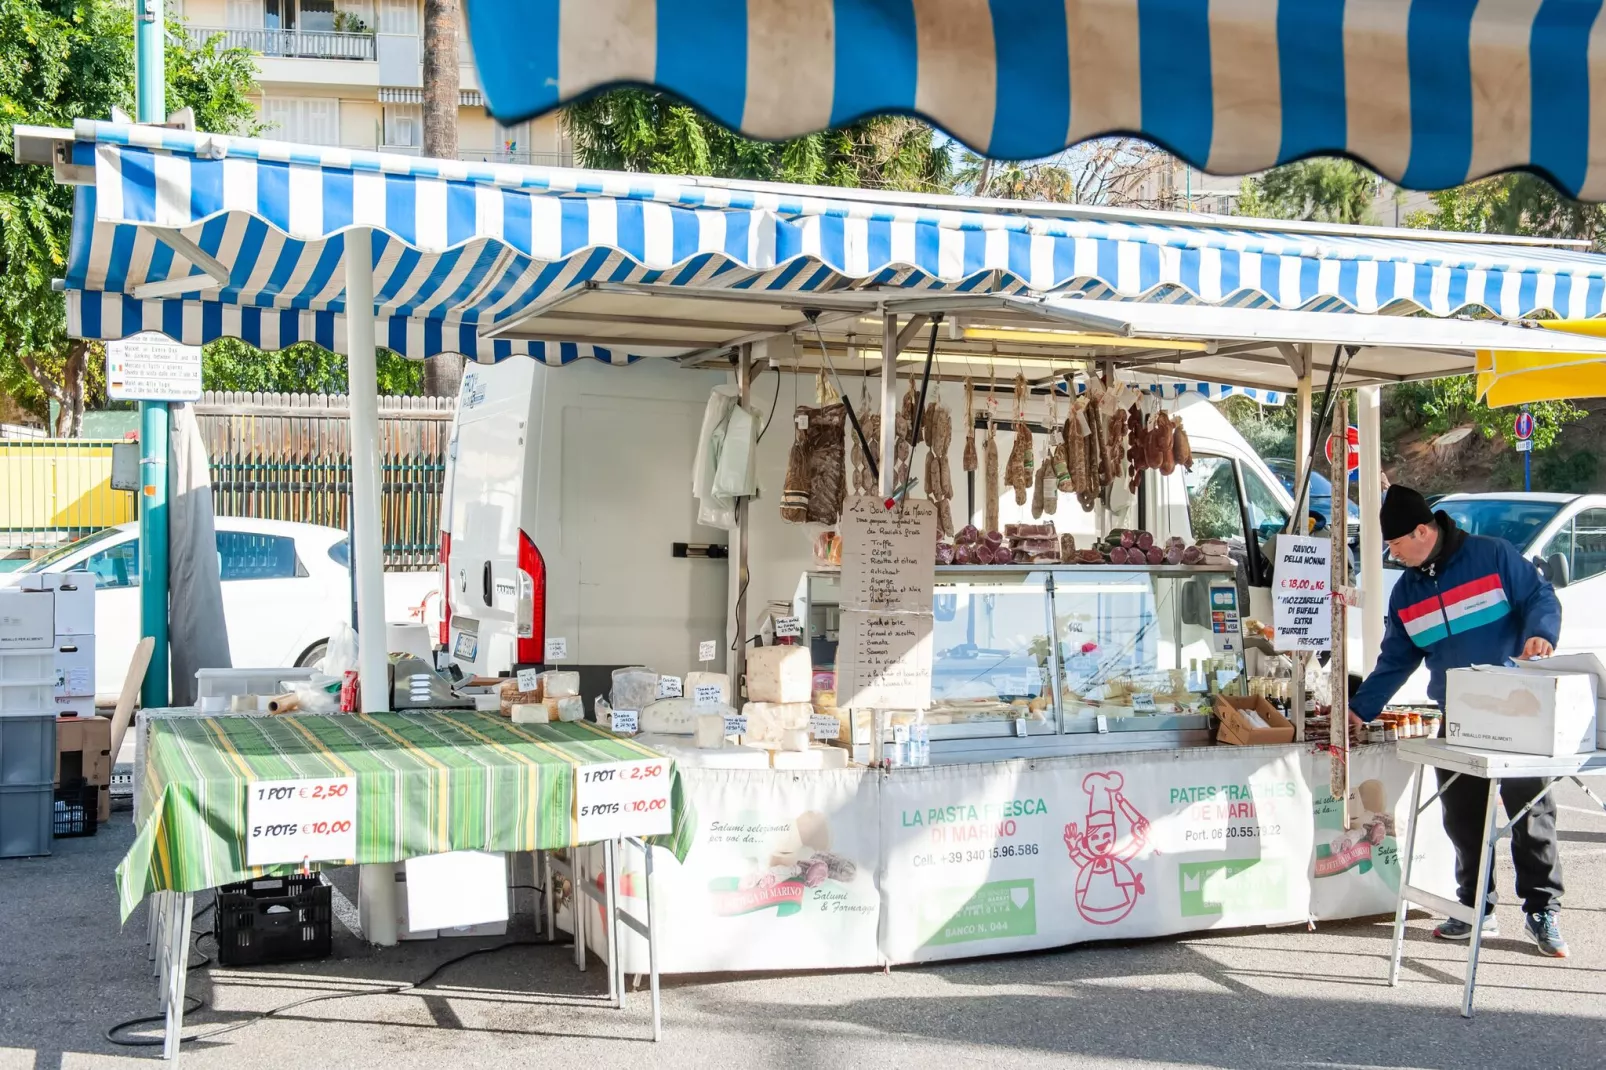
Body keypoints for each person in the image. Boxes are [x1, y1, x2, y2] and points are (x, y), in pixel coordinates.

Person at [1350, 485, 1567, 958]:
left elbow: (1540, 597)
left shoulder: (1493, 556)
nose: (1393, 553)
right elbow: (1396, 659)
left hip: (1517, 708)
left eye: (1396, 544)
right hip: (1458, 715)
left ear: (1423, 531)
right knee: (1462, 817)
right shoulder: (1406, 592)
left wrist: (1540, 636)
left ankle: (1542, 909)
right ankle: (1475, 908)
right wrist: (1358, 708)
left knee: (1530, 812)